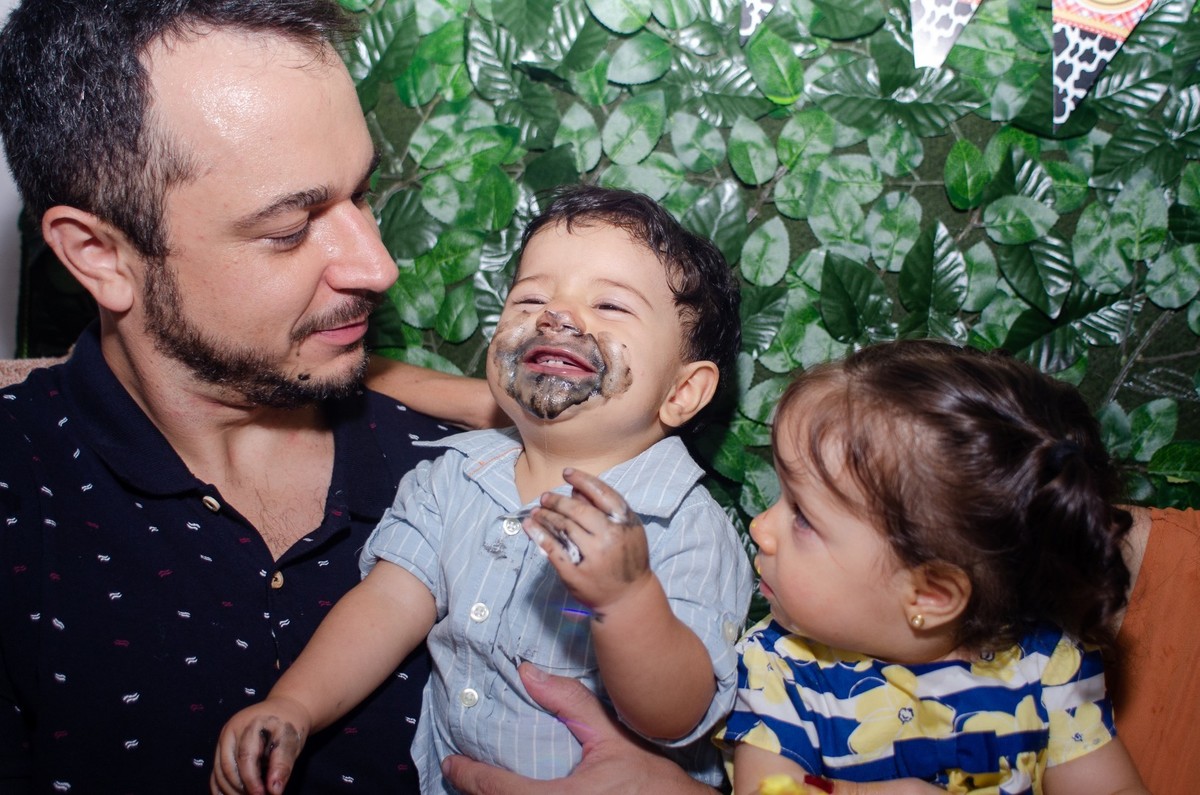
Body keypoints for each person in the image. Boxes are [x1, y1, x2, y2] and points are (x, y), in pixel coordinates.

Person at [0, 0, 491, 791]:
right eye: (290, 228)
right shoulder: (20, 497)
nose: (376, 266)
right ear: (99, 254)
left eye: (362, 193)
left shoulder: (466, 472)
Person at [212, 186, 754, 794]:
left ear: (682, 392)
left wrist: (628, 602)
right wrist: (295, 704)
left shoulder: (685, 527)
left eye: (609, 305)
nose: (556, 315)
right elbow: (387, 606)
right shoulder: (452, 477)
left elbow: (678, 715)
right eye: (530, 298)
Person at [716, 340, 1147, 794]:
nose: (760, 526)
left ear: (930, 595)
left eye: (803, 517)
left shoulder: (1049, 668)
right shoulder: (777, 670)